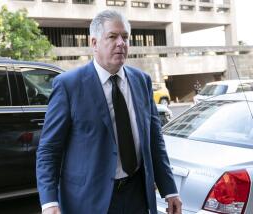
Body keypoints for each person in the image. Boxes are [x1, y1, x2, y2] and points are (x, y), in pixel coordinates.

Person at [36, 10, 182, 214]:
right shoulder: (69, 85)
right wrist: (49, 202)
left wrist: (170, 190)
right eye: (113, 36)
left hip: (137, 195)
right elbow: (49, 150)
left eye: (125, 37)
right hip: (89, 200)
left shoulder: (142, 81)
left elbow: (154, 141)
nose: (121, 43)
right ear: (94, 43)